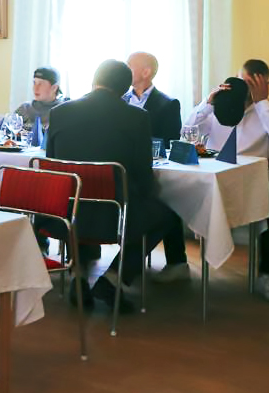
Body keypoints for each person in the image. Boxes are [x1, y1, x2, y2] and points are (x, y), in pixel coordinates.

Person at [46, 59, 174, 312]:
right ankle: (114, 277)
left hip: (64, 212)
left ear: (94, 80)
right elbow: (142, 173)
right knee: (165, 215)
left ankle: (78, 274)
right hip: (116, 215)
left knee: (81, 200)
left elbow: (52, 164)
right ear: (125, 89)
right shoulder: (137, 117)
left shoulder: (60, 112)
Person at [184, 59, 269, 303]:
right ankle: (176, 263)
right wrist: (208, 103)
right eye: (241, 81)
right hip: (213, 176)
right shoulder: (221, 106)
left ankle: (268, 274)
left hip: (253, 181)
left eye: (251, 84)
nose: (244, 89)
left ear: (263, 84)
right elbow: (186, 131)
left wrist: (262, 103)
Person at [124, 52, 186, 282]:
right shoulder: (119, 100)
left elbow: (170, 143)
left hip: (155, 167)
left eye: (129, 66)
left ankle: (177, 261)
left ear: (146, 71)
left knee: (169, 197)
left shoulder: (168, 104)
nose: (125, 70)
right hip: (124, 166)